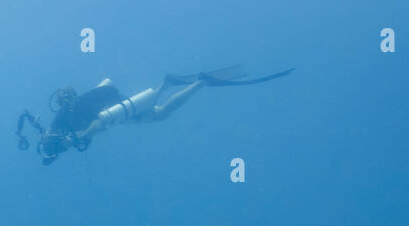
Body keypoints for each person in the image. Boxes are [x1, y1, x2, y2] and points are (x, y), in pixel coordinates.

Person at [17, 66, 294, 165]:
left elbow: (97, 124)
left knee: (160, 111)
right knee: (161, 114)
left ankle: (169, 83)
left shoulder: (67, 117)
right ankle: (198, 83)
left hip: (117, 111)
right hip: (119, 107)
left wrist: (76, 138)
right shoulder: (64, 119)